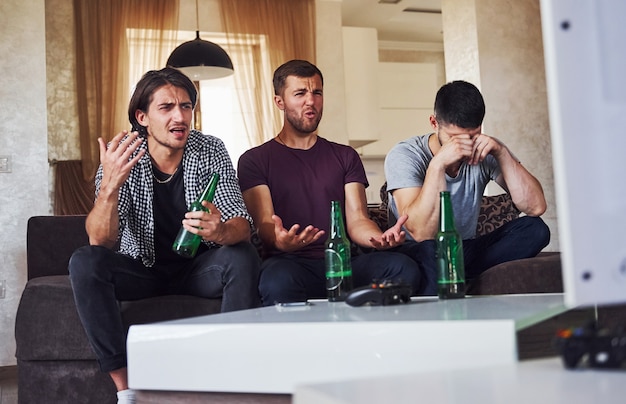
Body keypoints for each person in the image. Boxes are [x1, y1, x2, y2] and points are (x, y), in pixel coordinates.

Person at [68, 67, 261, 404]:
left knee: (242, 254)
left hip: (197, 270)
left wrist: (222, 230)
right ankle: (126, 390)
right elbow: (101, 241)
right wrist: (110, 187)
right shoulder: (122, 155)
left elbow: (241, 223)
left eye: (186, 106)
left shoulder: (210, 149)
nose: (180, 116)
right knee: (85, 261)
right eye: (167, 107)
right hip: (140, 268)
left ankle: (232, 376)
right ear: (142, 117)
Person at [237, 59, 422, 305]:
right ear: (279, 102)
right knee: (276, 280)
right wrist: (281, 239)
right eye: (300, 93)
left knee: (402, 267)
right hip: (291, 264)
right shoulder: (255, 160)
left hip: (343, 262)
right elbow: (264, 222)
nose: (311, 101)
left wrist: (377, 239)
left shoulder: (345, 156)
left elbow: (357, 219)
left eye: (317, 92)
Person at [385, 80, 550, 294]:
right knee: (430, 250)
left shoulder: (484, 149)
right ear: (434, 123)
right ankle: (455, 281)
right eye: (454, 138)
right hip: (419, 250)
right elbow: (421, 232)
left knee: (535, 229)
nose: (464, 146)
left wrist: (501, 152)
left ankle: (457, 273)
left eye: (471, 136)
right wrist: (437, 165)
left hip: (462, 249)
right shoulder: (405, 155)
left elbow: (536, 207)